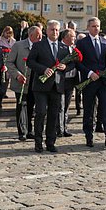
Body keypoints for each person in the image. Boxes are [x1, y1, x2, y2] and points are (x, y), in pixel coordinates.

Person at [76, 17, 106, 147]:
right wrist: (89, 73)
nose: (96, 28)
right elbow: (77, 62)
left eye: (98, 26)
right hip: (89, 81)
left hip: (103, 82)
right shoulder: (82, 43)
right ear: (88, 28)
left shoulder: (104, 42)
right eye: (93, 26)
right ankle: (89, 137)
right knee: (88, 110)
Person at [27, 20, 67, 153]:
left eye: (56, 30)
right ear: (46, 31)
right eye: (52, 30)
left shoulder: (63, 47)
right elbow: (30, 62)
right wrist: (43, 69)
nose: (54, 32)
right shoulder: (38, 45)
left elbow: (73, 63)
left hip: (57, 86)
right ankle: (38, 142)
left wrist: (65, 66)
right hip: (41, 86)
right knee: (41, 112)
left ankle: (51, 142)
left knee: (53, 114)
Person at [6, 25, 42, 141]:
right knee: (22, 106)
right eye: (38, 36)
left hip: (36, 82)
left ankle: (30, 131)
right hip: (21, 82)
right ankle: (22, 131)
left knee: (31, 107)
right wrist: (17, 75)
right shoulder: (18, 46)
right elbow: (9, 63)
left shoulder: (41, 46)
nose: (41, 39)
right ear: (31, 36)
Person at [57, 28, 77, 138]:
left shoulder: (73, 49)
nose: (74, 38)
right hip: (61, 80)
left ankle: (64, 128)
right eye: (72, 36)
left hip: (71, 80)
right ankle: (58, 128)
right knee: (60, 105)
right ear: (66, 37)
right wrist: (65, 67)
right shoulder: (59, 47)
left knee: (67, 106)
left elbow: (75, 64)